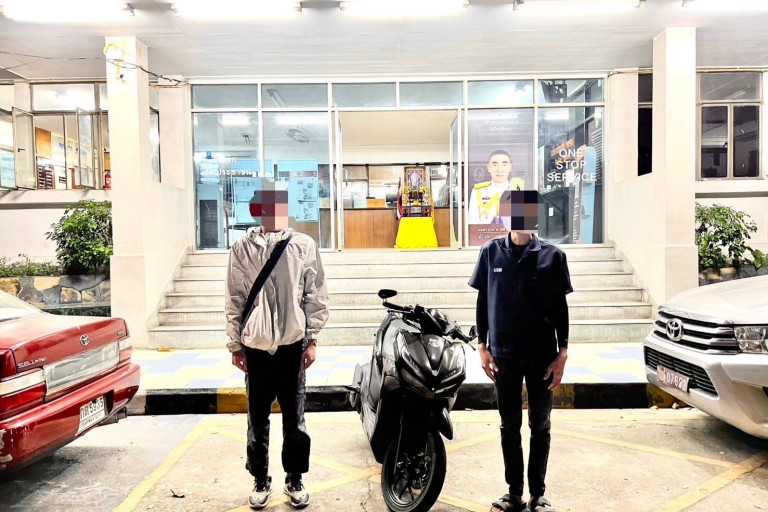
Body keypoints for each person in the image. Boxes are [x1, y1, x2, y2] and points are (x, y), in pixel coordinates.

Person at [225, 179, 329, 510]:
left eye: (278, 206)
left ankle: (294, 477)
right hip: (256, 347)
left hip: (291, 344)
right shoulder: (242, 248)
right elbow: (234, 298)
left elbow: (315, 294)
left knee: (294, 418)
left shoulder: (303, 245)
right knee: (257, 418)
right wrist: (235, 345)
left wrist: (312, 339)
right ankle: (260, 478)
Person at [468, 191, 572, 512]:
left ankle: (538, 494)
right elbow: (483, 302)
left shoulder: (553, 257)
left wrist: (563, 353)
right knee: (509, 426)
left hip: (543, 357)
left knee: (540, 426)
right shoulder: (490, 253)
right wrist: (482, 346)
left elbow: (560, 308)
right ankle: (514, 493)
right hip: (504, 357)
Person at [468, 150, 525, 225]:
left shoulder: (520, 192)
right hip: (485, 232)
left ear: (510, 167)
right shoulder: (478, 191)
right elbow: (472, 224)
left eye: (504, 164)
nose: (499, 170)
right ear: (488, 168)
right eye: (495, 165)